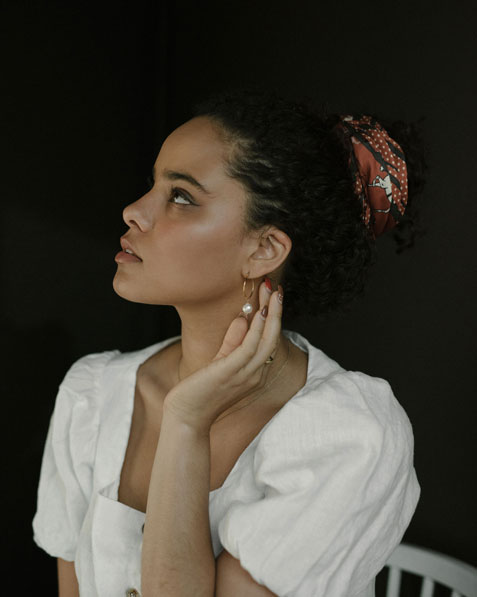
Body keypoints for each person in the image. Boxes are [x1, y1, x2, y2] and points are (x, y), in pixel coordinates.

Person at [32, 87, 427, 596]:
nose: (133, 211)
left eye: (180, 196)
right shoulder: (91, 394)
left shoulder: (350, 435)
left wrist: (186, 422)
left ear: (264, 250)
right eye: (152, 185)